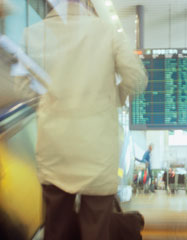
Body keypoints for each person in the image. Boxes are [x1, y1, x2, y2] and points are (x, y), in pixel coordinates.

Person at [23, 1, 147, 240]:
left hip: (54, 150)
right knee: (96, 230)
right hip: (97, 153)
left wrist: (50, 105)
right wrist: (116, 97)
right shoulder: (107, 32)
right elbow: (137, 78)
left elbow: (25, 88)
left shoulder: (33, 34)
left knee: (56, 229)